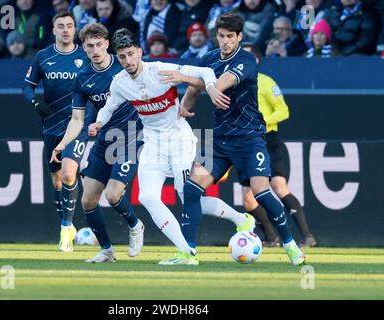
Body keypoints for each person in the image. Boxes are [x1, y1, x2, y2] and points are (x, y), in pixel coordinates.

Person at [88, 28, 254, 265]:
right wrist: (99, 122)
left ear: (139, 52)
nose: (127, 61)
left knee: (188, 196)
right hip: (152, 143)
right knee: (146, 196)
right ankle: (186, 251)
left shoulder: (160, 70)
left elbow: (206, 71)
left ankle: (241, 220)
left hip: (179, 141)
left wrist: (211, 88)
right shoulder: (120, 83)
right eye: (122, 56)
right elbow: (109, 106)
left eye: (130, 54)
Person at [160, 13, 306, 265]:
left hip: (250, 139)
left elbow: (223, 81)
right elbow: (197, 88)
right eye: (221, 36)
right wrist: (183, 107)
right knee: (191, 189)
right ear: (216, 36)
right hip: (220, 141)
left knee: (261, 192)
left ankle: (291, 246)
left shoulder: (247, 59)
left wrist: (192, 79)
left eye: (230, 37)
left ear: (239, 37)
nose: (225, 42)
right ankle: (188, 252)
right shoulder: (209, 59)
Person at [50, 23, 145, 263]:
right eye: (89, 46)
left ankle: (135, 225)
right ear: (83, 47)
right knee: (88, 200)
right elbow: (77, 119)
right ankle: (107, 251)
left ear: (106, 44)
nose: (95, 50)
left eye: (99, 44)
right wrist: (62, 144)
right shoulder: (83, 78)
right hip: (104, 139)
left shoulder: (124, 64)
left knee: (113, 195)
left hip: (131, 136)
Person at [22, 11, 89, 252]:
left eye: (69, 26)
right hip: (51, 125)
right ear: (53, 30)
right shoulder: (43, 56)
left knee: (70, 174)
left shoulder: (85, 55)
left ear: (74, 29)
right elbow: (27, 87)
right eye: (60, 26)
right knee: (57, 180)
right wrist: (35, 103)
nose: (65, 30)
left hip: (78, 124)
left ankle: (65, 229)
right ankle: (68, 226)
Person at [243, 43, 317, 247]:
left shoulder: (266, 82)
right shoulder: (234, 83)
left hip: (267, 139)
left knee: (278, 186)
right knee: (248, 199)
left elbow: (283, 110)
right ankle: (271, 237)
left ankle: (306, 234)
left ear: (256, 60)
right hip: (246, 143)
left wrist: (262, 120)